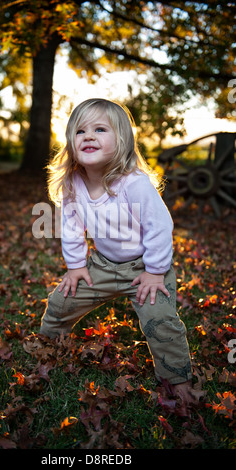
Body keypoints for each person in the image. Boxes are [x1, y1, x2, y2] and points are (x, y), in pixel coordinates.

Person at [40, 98, 193, 398]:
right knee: (60, 303)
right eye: (80, 131)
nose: (89, 136)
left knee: (160, 322)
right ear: (70, 141)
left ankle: (179, 381)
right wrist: (76, 266)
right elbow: (72, 228)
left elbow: (159, 227)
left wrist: (155, 272)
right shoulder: (74, 182)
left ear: (122, 140)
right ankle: (46, 347)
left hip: (145, 268)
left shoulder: (133, 183)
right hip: (103, 265)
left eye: (99, 129)